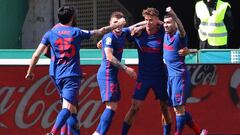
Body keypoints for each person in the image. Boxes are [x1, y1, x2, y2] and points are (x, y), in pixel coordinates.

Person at [25, 6, 126, 135]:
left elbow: (37, 54)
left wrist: (30, 71)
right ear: (72, 17)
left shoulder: (50, 33)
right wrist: (116, 25)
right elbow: (99, 31)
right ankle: (52, 132)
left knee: (71, 109)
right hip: (71, 76)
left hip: (55, 75)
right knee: (67, 108)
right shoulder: (76, 32)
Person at [92, 11, 149, 135]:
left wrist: (149, 21)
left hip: (112, 75)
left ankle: (97, 133)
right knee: (111, 107)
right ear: (110, 24)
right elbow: (109, 57)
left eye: (120, 23)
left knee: (112, 107)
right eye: (115, 23)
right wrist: (126, 69)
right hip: (106, 75)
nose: (118, 26)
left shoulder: (123, 32)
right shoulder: (109, 37)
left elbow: (138, 25)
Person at [121, 8, 172, 135]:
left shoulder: (163, 33)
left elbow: (175, 29)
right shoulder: (138, 34)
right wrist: (141, 25)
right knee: (134, 108)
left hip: (160, 76)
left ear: (157, 21)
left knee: (164, 108)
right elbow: (122, 32)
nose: (148, 23)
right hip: (143, 77)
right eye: (146, 20)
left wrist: (159, 22)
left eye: (151, 20)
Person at [163, 7, 208, 135]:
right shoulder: (165, 33)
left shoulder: (179, 35)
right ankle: (200, 132)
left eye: (168, 22)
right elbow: (152, 22)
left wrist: (173, 14)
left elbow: (182, 29)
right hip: (170, 78)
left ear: (175, 24)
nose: (166, 25)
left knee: (179, 109)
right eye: (164, 22)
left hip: (179, 76)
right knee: (177, 109)